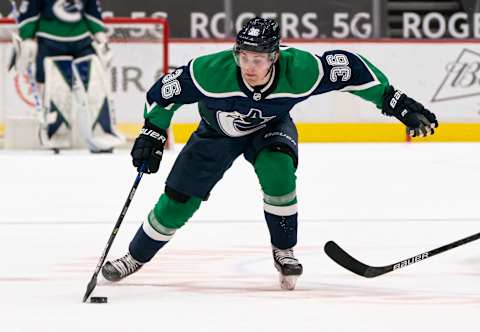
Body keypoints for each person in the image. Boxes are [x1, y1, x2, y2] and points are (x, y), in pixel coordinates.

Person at [102, 17, 438, 290]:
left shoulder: (302, 70)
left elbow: (351, 69)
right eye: (244, 57)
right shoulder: (210, 71)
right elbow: (163, 93)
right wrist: (153, 130)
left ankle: (284, 250)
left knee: (278, 173)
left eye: (258, 59)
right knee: (178, 199)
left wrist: (393, 101)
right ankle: (135, 257)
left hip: (270, 127)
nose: (249, 66)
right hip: (215, 133)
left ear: (274, 56)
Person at [15, 0, 122, 152]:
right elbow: (29, 13)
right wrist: (26, 38)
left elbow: (92, 11)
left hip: (82, 43)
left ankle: (102, 135)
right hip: (50, 43)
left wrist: (100, 36)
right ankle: (55, 134)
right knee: (56, 91)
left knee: (94, 88)